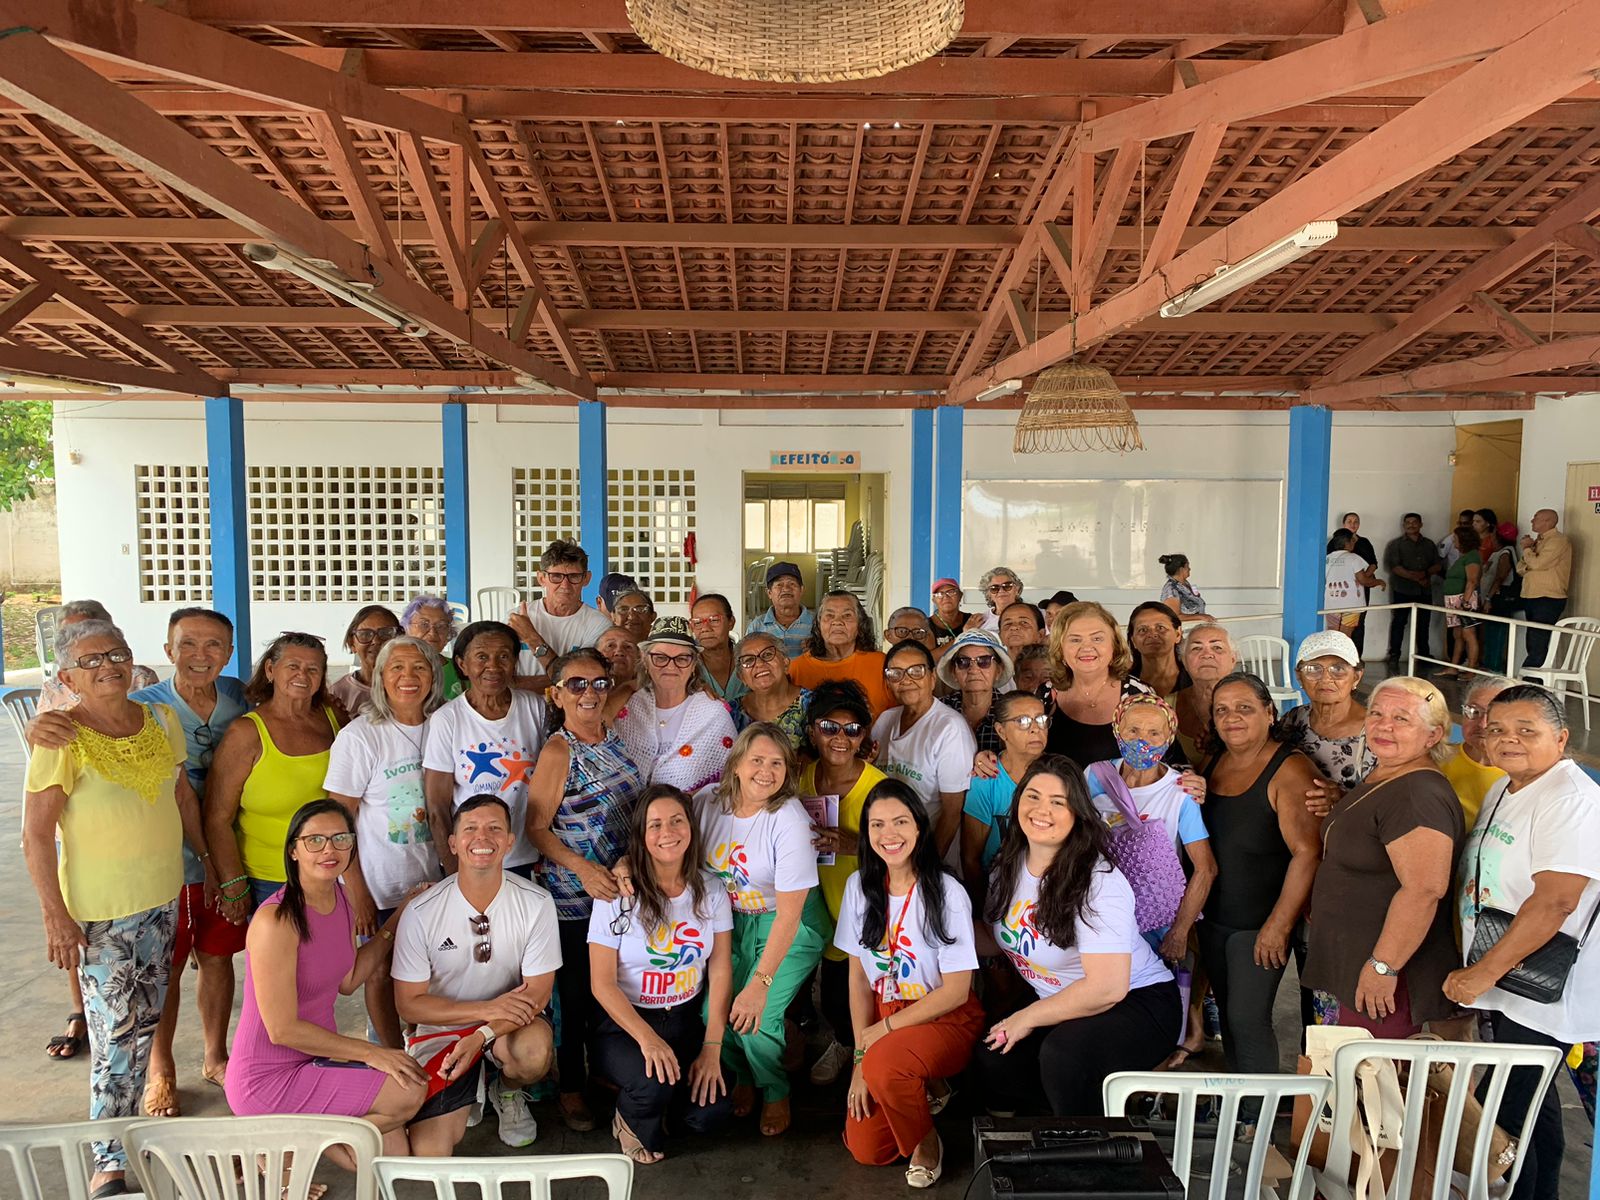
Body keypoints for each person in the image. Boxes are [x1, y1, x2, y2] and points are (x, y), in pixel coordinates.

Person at [23, 618, 210, 1195]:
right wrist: (55, 915)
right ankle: (108, 1161)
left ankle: (123, 1131)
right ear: (68, 676)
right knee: (114, 1035)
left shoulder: (160, 719)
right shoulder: (61, 738)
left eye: (117, 654)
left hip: (161, 898)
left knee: (147, 1019)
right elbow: (35, 835)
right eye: (92, 659)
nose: (108, 665)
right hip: (101, 914)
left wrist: (207, 863)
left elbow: (180, 794)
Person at [1445, 685, 1600, 1200]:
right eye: (1497, 730)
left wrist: (1483, 972)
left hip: (1540, 983)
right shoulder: (1505, 787)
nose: (1509, 740)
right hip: (1511, 977)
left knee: (1508, 1107)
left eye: (1526, 731)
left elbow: (1555, 901)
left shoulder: (1570, 800)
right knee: (1533, 1105)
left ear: (1561, 738)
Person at [974, 756, 1181, 1116]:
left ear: (1077, 814)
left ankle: (1090, 1150)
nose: (1042, 810)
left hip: (1138, 1001)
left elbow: (1107, 989)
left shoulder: (1098, 881)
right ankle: (1063, 1125)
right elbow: (998, 938)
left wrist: (1027, 1017)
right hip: (1063, 1001)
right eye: (1033, 796)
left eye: (1058, 802)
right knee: (993, 1058)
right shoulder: (1009, 864)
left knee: (1063, 1055)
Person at [225, 800, 426, 1165]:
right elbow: (282, 1030)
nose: (329, 850)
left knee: (390, 1154)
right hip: (266, 1079)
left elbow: (348, 980)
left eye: (340, 839)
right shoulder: (276, 921)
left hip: (313, 1063)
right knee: (407, 1093)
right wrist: (372, 1052)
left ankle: (291, 1143)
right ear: (294, 850)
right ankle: (281, 1143)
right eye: (315, 840)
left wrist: (399, 916)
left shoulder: (341, 897)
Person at [392, 796, 560, 1154]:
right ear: (453, 843)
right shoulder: (421, 911)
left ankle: (507, 1091)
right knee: (428, 1151)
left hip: (511, 1024)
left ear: (510, 841)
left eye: (495, 828)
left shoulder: (536, 902)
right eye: (470, 828)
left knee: (532, 1054)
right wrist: (485, 1011)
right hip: (446, 1027)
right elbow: (410, 1006)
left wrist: (482, 1033)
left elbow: (538, 994)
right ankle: (468, 1087)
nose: (482, 837)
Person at [131, 608, 250, 1108]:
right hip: (167, 862)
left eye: (214, 646)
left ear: (228, 652)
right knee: (167, 966)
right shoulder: (140, 707)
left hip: (225, 856)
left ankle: (215, 1055)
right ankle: (161, 1070)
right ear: (167, 651)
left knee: (218, 958)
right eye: (188, 645)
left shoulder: (239, 699)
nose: (201, 656)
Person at [839, 779, 984, 1186]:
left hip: (944, 1017)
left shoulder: (946, 892)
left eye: (901, 822)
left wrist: (877, 1038)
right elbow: (857, 977)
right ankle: (919, 1087)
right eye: (877, 825)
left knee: (885, 1065)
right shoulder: (859, 889)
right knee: (869, 1149)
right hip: (885, 1018)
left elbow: (956, 991)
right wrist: (858, 1060)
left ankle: (925, 1141)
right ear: (867, 834)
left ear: (920, 828)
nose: (890, 835)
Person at [526, 647, 646, 1132]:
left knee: (613, 993)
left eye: (598, 683)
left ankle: (606, 1075)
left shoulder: (612, 734)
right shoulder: (559, 750)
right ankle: (571, 1087)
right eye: (576, 685)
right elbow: (535, 827)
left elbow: (634, 679)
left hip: (622, 892)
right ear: (556, 694)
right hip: (575, 899)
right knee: (575, 1000)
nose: (589, 693)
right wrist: (582, 869)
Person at [1304, 677, 1464, 1035]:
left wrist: (1383, 966)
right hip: (1350, 963)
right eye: (1376, 713)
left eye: (1402, 718)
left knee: (1373, 1083)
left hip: (1382, 979)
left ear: (1434, 735)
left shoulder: (1418, 794)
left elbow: (1424, 890)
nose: (1383, 725)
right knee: (1333, 1073)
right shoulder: (1386, 775)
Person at [692, 725, 830, 1136]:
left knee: (757, 1015)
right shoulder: (707, 804)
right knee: (712, 1010)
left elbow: (789, 915)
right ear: (736, 764)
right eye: (757, 760)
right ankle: (745, 1077)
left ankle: (775, 1089)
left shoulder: (789, 820)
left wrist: (760, 983)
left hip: (789, 923)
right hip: (730, 921)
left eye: (777, 763)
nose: (766, 772)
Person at [589, 785, 735, 1164]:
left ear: (691, 827)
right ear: (640, 835)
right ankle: (627, 1115)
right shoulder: (618, 894)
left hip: (686, 1018)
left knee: (710, 1112)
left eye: (676, 821)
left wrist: (712, 1048)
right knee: (653, 1081)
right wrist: (647, 1039)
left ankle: (662, 1099)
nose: (667, 832)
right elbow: (601, 982)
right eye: (655, 825)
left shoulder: (712, 889)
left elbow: (719, 969)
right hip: (626, 1024)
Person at [1198, 673, 1322, 1087]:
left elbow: (1308, 853)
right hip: (1215, 918)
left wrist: (1279, 925)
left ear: (1269, 713)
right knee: (1231, 1021)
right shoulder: (1213, 763)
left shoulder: (1289, 769)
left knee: (1247, 1019)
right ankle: (1243, 1108)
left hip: (1259, 923)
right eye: (1222, 710)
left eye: (1245, 708)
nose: (1232, 718)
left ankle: (1259, 1117)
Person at [324, 635, 447, 1048]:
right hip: (379, 884)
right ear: (380, 677)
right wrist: (355, 888)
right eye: (397, 668)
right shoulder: (361, 736)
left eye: (419, 668)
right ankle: (388, 1055)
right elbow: (339, 820)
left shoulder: (445, 725)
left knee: (430, 969)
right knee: (378, 971)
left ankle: (427, 1052)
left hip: (434, 878)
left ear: (435, 675)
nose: (408, 677)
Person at [207, 632, 340, 913]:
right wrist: (233, 882)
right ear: (270, 670)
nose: (302, 675)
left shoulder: (335, 718)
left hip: (330, 873)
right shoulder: (245, 733)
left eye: (313, 669)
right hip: (268, 879)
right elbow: (217, 817)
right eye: (292, 666)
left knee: (330, 956)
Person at [798, 681, 888, 1086]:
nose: (840, 738)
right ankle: (841, 1041)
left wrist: (856, 843)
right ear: (813, 731)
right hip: (811, 905)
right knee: (822, 995)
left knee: (852, 991)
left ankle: (859, 1052)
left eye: (852, 730)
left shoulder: (880, 788)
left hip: (863, 907)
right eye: (830, 727)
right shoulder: (799, 778)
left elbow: (907, 848)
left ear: (863, 736)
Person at [1085, 694, 1216, 965]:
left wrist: (1179, 932)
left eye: (1154, 733)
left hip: (1157, 921)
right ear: (1117, 729)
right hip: (1102, 913)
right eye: (1133, 730)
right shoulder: (1094, 777)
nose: (1141, 740)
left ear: (1169, 739)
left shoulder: (1181, 791)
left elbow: (1206, 869)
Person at [422, 620, 547, 876]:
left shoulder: (535, 708)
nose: (493, 666)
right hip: (474, 859)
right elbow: (437, 807)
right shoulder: (448, 719)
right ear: (462, 664)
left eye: (503, 656)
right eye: (481, 657)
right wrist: (455, 870)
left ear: (514, 663)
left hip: (528, 855)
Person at [872, 639, 977, 859]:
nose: (906, 680)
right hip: (888, 853)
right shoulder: (885, 721)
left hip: (928, 856)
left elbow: (951, 813)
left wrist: (926, 867)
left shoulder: (950, 728)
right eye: (896, 673)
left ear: (932, 678)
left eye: (916, 671)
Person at [616, 617, 737, 793]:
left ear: (693, 664)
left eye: (682, 658)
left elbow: (728, 783)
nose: (671, 666)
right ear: (645, 660)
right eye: (660, 657)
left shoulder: (713, 712)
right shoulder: (626, 707)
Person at [1042, 601, 1159, 768]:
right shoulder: (1045, 694)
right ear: (1060, 649)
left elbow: (1167, 758)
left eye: (1097, 638)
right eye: (1075, 640)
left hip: (1122, 794)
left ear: (1114, 646)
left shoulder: (1138, 694)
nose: (1087, 647)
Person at [963, 691, 1048, 883]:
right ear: (1001, 731)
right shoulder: (986, 780)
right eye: (1023, 721)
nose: (1035, 729)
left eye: (1041, 719)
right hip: (997, 891)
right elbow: (970, 858)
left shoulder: (1060, 776)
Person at [1280, 630, 1376, 789]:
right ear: (1299, 677)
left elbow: (1391, 798)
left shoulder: (1377, 731)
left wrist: (1340, 800)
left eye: (1338, 669)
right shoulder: (1293, 719)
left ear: (1356, 677)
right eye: (1313, 669)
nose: (1325, 678)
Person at [511, 538, 615, 684]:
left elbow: (580, 682)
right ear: (541, 578)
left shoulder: (599, 625)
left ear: (586, 578)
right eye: (556, 576)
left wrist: (531, 637)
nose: (565, 585)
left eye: (574, 576)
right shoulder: (516, 618)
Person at [787, 591, 891, 717]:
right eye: (829, 616)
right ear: (818, 625)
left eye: (847, 615)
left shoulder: (880, 663)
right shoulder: (798, 668)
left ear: (860, 624)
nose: (837, 622)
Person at [1440, 675, 1513, 828]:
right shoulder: (1438, 759)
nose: (1483, 724)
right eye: (1474, 711)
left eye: (1495, 714)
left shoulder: (1525, 775)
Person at [1172, 622, 1240, 768]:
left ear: (1233, 659)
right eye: (1196, 648)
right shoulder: (1166, 706)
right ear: (1184, 660)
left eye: (1217, 648)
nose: (1207, 655)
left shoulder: (1252, 703)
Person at [936, 629, 1013, 755]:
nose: (973, 669)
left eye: (984, 661)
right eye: (963, 662)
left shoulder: (1012, 711)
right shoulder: (939, 709)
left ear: (998, 671)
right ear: (953, 672)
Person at [728, 632, 809, 746]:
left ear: (785, 664)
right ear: (742, 678)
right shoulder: (732, 712)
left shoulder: (813, 705)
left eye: (767, 655)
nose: (759, 664)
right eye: (748, 660)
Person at [1384, 513, 1442, 668]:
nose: (1411, 525)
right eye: (1407, 523)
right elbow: (1395, 567)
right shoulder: (1396, 545)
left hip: (1425, 591)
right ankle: (1394, 655)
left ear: (1421, 524)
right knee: (1399, 622)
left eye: (1414, 522)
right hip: (1403, 590)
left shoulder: (1429, 544)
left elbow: (1438, 565)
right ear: (1403, 525)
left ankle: (1424, 655)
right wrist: (1417, 578)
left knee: (1423, 624)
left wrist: (1426, 574)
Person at [1517, 509, 1571, 668]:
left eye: (1536, 518)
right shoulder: (1537, 542)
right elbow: (1521, 567)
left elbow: (1538, 564)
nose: (1532, 521)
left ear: (1547, 522)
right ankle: (1533, 677)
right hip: (1532, 596)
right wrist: (1530, 558)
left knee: (1538, 641)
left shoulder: (1558, 541)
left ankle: (1530, 679)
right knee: (1532, 640)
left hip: (1548, 597)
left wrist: (1527, 549)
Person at [328, 605, 402, 717]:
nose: (376, 641)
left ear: (400, 638)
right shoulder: (338, 693)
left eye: (386, 633)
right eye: (365, 634)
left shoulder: (410, 686)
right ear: (351, 643)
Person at [1328, 514, 1379, 654]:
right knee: (1337, 628)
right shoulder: (1334, 543)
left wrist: (1363, 578)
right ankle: (1340, 657)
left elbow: (1373, 563)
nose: (1353, 524)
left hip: (1360, 589)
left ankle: (1355, 656)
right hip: (1337, 593)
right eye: (1349, 521)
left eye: (1356, 521)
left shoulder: (1364, 542)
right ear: (1343, 524)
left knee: (1358, 623)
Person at [745, 561, 815, 659]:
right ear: (769, 593)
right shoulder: (757, 626)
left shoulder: (817, 623)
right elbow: (747, 658)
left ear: (801, 590)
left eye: (792, 584)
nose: (786, 589)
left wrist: (819, 650)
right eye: (779, 585)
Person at [1440, 526, 1483, 679]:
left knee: (1469, 634)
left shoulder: (1472, 557)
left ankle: (1471, 670)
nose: (1453, 541)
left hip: (1464, 600)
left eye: (1456, 539)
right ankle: (1454, 667)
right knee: (1457, 634)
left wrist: (1465, 602)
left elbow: (1472, 580)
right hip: (1453, 600)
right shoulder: (1463, 556)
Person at [402, 594, 462, 698]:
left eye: (441, 626)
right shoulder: (395, 670)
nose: (433, 633)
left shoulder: (461, 670)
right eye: (424, 624)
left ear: (449, 632)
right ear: (406, 628)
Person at [692, 593, 747, 704]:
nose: (705, 629)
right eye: (697, 622)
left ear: (731, 622)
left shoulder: (750, 659)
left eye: (714, 620)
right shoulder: (685, 665)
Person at [1127, 601, 1188, 700]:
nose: (1152, 634)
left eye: (1160, 628)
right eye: (1142, 630)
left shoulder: (1196, 680)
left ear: (1178, 634)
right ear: (1133, 640)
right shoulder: (1121, 686)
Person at [1325, 529, 1382, 633]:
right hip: (1351, 605)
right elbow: (1363, 580)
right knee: (1345, 637)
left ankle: (1332, 650)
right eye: (1352, 541)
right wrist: (1379, 582)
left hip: (1331, 603)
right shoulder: (1354, 558)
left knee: (1332, 635)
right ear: (1348, 542)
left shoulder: (1327, 558)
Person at [1478, 527, 1517, 674]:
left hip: (1499, 599)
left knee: (1496, 632)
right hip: (1493, 598)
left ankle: (1494, 667)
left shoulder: (1506, 554)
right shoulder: (1497, 553)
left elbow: (1500, 577)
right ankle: (1488, 664)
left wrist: (1488, 598)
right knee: (1489, 632)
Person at [596, 625, 642, 715]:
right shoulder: (584, 691)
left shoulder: (648, 696)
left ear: (638, 658)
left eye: (628, 647)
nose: (619, 652)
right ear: (596, 654)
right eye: (610, 645)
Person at [1158, 553, 1207, 621]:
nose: (1190, 569)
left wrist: (1196, 596)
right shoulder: (1171, 590)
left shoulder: (1185, 583)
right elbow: (1173, 617)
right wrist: (1200, 617)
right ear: (1181, 569)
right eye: (1187, 566)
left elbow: (1195, 597)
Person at [974, 566, 1024, 631]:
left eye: (1007, 586)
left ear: (1017, 589)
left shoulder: (1033, 614)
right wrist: (968, 631)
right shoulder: (980, 620)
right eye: (994, 588)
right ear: (988, 594)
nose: (1001, 591)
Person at [929, 578, 973, 647]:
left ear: (960, 595)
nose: (946, 597)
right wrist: (965, 635)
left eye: (951, 592)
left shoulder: (971, 620)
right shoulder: (926, 625)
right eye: (940, 594)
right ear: (934, 600)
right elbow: (930, 656)